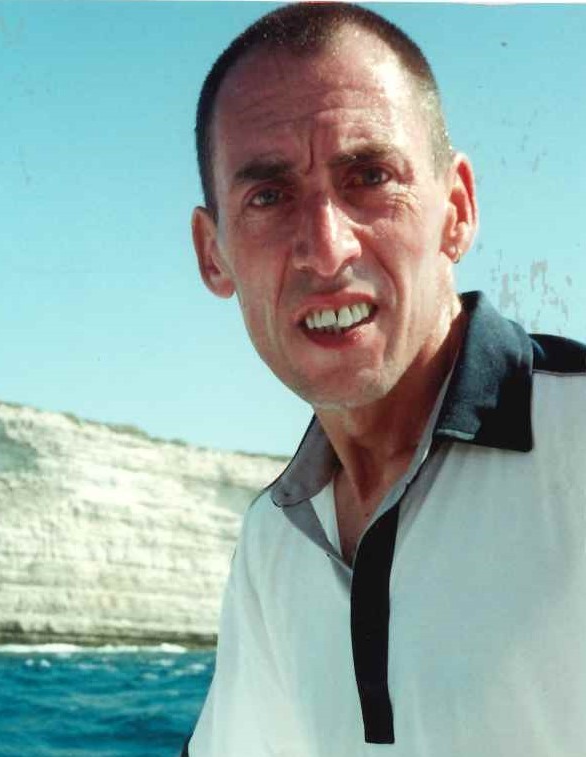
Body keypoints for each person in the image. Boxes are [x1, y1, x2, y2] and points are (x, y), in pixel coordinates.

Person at [182, 3, 586, 755]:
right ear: (214, 255)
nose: (326, 248)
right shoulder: (275, 541)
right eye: (268, 197)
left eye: (369, 177)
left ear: (456, 210)